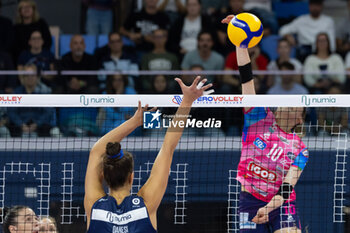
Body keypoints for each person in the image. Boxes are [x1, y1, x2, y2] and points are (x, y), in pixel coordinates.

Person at [84, 77, 212, 232]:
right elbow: (168, 147)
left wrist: (134, 122)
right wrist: (187, 101)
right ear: (131, 177)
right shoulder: (145, 204)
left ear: (103, 175)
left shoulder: (94, 205)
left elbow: (97, 151)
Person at [222, 15, 309, 233]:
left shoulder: (300, 149)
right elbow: (246, 79)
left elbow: (288, 186)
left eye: (296, 105)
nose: (288, 104)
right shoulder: (258, 116)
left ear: (300, 118)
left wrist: (269, 207)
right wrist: (241, 44)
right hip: (249, 200)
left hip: (281, 204)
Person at [7, 64, 57, 137]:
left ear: (37, 77)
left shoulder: (44, 92)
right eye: (27, 75)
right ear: (23, 78)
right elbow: (12, 112)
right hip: (20, 127)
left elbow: (48, 112)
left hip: (40, 127)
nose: (30, 78)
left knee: (50, 130)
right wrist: (21, 124)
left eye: (32, 75)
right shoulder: (16, 92)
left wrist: (37, 124)